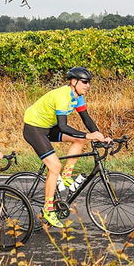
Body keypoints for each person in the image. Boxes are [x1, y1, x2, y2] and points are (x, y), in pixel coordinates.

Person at [22, 66, 109, 228]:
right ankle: (48, 209)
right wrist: (87, 135)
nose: (87, 85)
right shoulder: (63, 96)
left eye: (89, 82)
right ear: (73, 82)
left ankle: (67, 177)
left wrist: (101, 136)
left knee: (79, 141)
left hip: (48, 127)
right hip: (34, 128)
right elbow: (63, 126)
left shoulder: (78, 97)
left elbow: (86, 119)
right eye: (84, 82)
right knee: (55, 166)